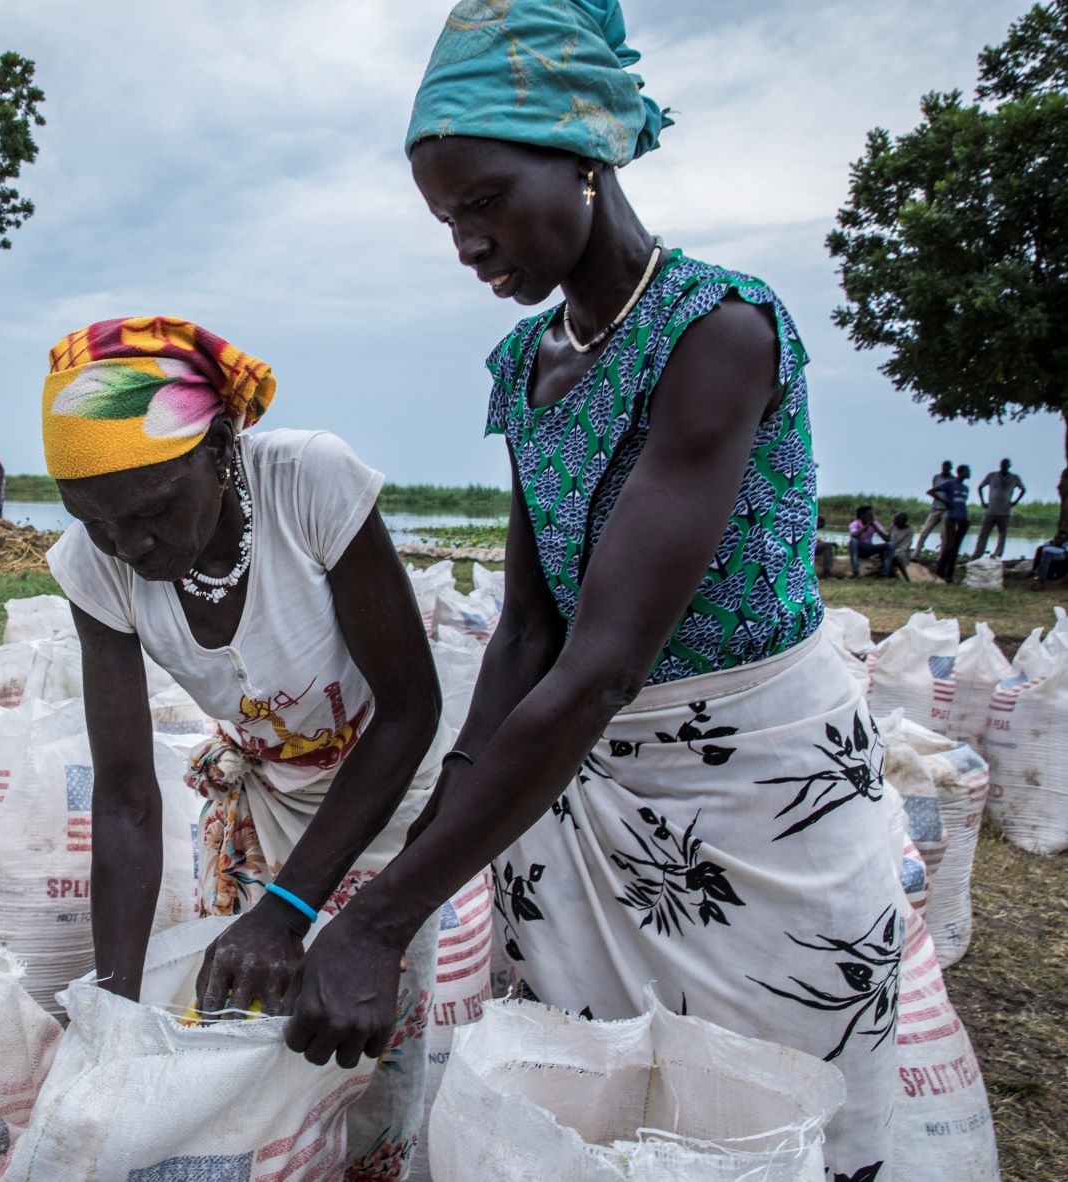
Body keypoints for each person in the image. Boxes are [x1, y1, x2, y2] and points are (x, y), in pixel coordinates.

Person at [279, 6, 908, 1180]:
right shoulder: (527, 366)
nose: (466, 242)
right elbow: (526, 627)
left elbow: (607, 660)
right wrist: (442, 826)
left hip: (759, 794)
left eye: (483, 200)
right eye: (445, 219)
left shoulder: (718, 329)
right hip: (580, 787)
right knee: (590, 1106)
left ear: (584, 154)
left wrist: (380, 917)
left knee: (773, 1108)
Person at [44, 317, 445, 1176]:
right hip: (262, 795)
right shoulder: (96, 561)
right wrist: (112, 1011)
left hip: (386, 799)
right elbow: (123, 795)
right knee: (246, 1040)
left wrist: (289, 911)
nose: (128, 547)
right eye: (96, 521)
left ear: (221, 446)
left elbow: (411, 709)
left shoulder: (309, 483)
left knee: (364, 1050)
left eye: (151, 512)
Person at [972, 458, 1026, 559]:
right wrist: (983, 501)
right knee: (983, 534)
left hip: (1005, 511)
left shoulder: (1014, 478)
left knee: (1002, 535)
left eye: (1006, 465)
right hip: (991, 510)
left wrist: (1015, 501)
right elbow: (980, 487)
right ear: (1000, 465)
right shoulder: (992, 476)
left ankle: (997, 554)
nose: (1004, 466)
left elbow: (1023, 489)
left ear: (1009, 466)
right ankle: (977, 554)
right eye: (1002, 465)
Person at [935, 463, 972, 583]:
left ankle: (949, 576)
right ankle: (939, 573)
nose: (969, 473)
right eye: (967, 471)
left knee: (956, 548)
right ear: (960, 472)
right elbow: (931, 492)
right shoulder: (949, 484)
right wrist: (945, 503)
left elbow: (962, 503)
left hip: (963, 519)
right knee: (949, 547)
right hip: (951, 518)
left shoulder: (966, 488)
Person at [915, 459, 952, 553]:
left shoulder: (953, 479)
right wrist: (941, 500)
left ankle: (941, 556)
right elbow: (933, 490)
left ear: (950, 468)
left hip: (946, 510)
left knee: (944, 535)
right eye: (944, 467)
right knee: (924, 532)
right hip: (935, 508)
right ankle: (916, 553)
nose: (945, 469)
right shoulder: (936, 477)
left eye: (947, 467)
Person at [847, 503, 892, 577]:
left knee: (891, 545)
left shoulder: (875, 523)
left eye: (871, 514)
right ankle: (856, 573)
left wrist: (874, 526)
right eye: (868, 514)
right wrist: (866, 525)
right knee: (853, 541)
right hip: (858, 549)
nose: (871, 516)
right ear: (862, 515)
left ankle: (885, 574)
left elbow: (887, 539)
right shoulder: (855, 523)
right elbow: (854, 535)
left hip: (869, 548)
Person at [888, 511, 914, 581]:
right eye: (895, 519)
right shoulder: (893, 526)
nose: (894, 521)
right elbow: (888, 539)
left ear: (903, 521)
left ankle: (906, 578)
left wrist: (893, 551)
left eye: (897, 519)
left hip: (903, 552)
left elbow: (905, 547)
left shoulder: (910, 531)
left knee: (898, 556)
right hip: (891, 548)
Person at [814, 512, 836, 577]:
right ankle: (827, 572)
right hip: (806, 549)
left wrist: (827, 543)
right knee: (827, 546)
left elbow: (816, 541)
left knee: (827, 545)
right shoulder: (810, 527)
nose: (818, 529)